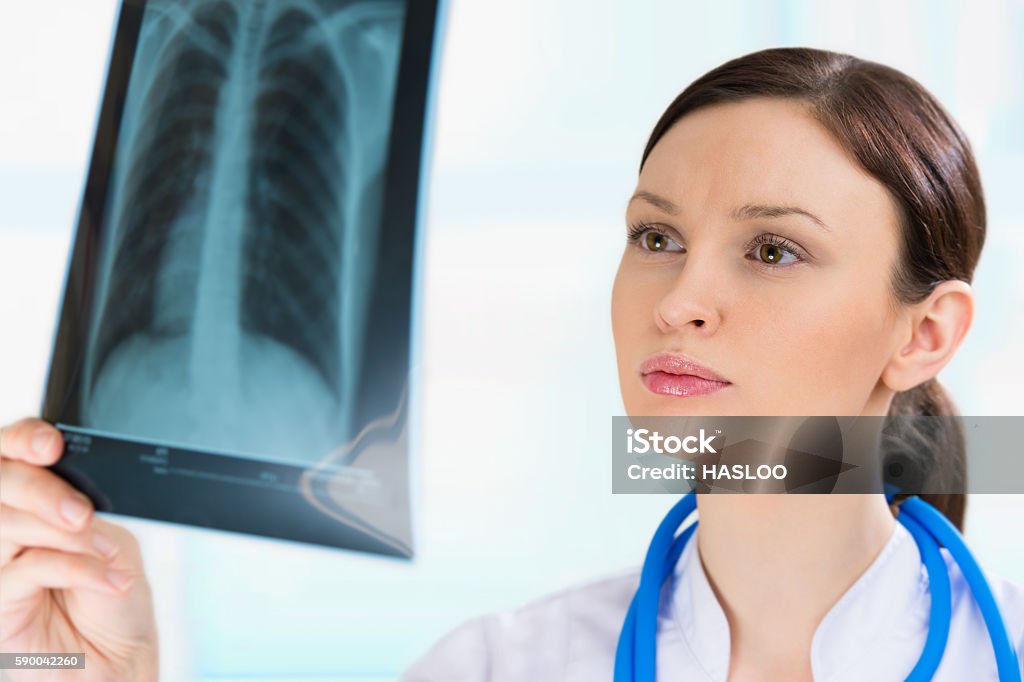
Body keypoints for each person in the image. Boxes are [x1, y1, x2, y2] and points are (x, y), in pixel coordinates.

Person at [1, 46, 1023, 681]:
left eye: (772, 250)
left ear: (923, 334)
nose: (675, 302)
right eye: (655, 237)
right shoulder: (495, 666)